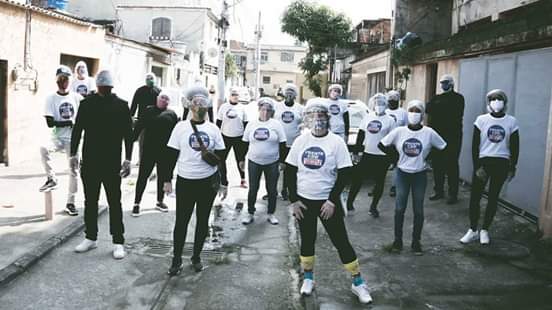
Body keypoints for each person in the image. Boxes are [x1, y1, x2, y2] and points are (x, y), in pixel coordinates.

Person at [286, 102, 372, 304]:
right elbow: (289, 170)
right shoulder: (301, 141)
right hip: (305, 201)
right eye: (314, 116)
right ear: (308, 119)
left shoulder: (336, 142)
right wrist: (294, 200)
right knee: (307, 240)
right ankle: (308, 279)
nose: (318, 120)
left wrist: (332, 201)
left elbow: (344, 174)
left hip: (327, 202)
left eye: (322, 116)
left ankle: (358, 282)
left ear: (328, 118)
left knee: (341, 241)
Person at [71, 70, 133, 260]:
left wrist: (128, 159)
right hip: (90, 161)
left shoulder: (122, 106)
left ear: (111, 87)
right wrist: (73, 154)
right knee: (90, 201)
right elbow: (77, 130)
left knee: (114, 202)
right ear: (97, 86)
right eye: (102, 87)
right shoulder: (86, 104)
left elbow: (128, 135)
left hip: (112, 162)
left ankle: (118, 241)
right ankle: (91, 237)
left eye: (107, 87)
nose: (104, 89)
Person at [164, 92, 228, 276]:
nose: (199, 106)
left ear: (208, 107)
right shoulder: (180, 127)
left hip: (207, 183)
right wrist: (167, 180)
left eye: (203, 103)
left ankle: (196, 257)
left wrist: (224, 182)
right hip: (185, 181)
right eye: (196, 103)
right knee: (181, 222)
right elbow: (170, 155)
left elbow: (221, 157)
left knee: (202, 221)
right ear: (190, 106)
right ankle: (176, 260)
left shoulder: (214, 129)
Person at [378, 100, 446, 255]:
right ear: (407, 112)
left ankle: (416, 242)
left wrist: (429, 159)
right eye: (411, 110)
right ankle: (397, 241)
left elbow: (443, 147)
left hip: (419, 175)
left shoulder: (429, 132)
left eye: (417, 111)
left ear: (422, 114)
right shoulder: (400, 131)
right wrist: (395, 158)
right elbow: (382, 144)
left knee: (418, 210)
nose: (414, 114)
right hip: (402, 173)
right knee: (399, 208)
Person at [460, 89, 519, 245]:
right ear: (488, 102)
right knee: (475, 198)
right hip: (483, 163)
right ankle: (473, 229)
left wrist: (513, 167)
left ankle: (485, 229)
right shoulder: (481, 120)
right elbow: (474, 146)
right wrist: (477, 166)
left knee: (493, 198)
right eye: (493, 99)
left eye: (499, 99)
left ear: (505, 102)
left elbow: (515, 146)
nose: (496, 101)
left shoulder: (511, 121)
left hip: (501, 163)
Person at [39, 65, 82, 216]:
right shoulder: (51, 98)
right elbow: (50, 123)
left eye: (65, 79)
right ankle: (52, 178)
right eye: (60, 79)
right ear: (57, 80)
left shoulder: (77, 98)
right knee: (44, 148)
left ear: (70, 80)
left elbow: (84, 118)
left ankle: (71, 203)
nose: (62, 82)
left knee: (74, 170)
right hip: (57, 137)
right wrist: (69, 123)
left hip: (73, 140)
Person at [347, 93, 395, 217]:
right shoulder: (367, 117)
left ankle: (373, 207)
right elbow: (361, 134)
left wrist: (392, 158)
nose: (379, 106)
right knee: (357, 180)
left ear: (386, 105)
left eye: (382, 104)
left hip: (382, 156)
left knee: (379, 183)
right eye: (377, 104)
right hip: (367, 154)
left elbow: (393, 140)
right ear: (373, 105)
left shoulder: (390, 120)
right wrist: (356, 152)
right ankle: (349, 203)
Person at [131, 91, 178, 217]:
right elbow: (139, 127)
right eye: (162, 97)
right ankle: (136, 203)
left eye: (166, 98)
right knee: (143, 177)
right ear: (157, 99)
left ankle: (160, 201)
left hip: (165, 152)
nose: (164, 100)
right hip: (149, 151)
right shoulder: (148, 111)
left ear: (169, 102)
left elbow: (176, 135)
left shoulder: (172, 115)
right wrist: (131, 140)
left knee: (162, 177)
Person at [241, 97, 287, 225]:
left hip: (272, 162)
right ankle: (250, 212)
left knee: (272, 190)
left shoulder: (276, 125)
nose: (265, 112)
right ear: (258, 110)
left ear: (271, 112)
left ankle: (271, 213)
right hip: (254, 161)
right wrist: (241, 159)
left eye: (268, 110)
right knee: (253, 189)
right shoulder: (251, 124)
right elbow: (244, 143)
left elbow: (283, 143)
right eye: (262, 109)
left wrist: (282, 161)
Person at [426, 75, 465, 204]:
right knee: (437, 165)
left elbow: (453, 112)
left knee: (452, 165)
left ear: (452, 83)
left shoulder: (458, 98)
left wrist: (438, 109)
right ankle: (439, 191)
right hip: (438, 136)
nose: (443, 85)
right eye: (442, 83)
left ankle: (453, 194)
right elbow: (428, 109)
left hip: (453, 137)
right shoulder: (436, 98)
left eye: (446, 83)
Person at [272, 83, 303, 201]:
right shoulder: (277, 106)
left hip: (293, 144)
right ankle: (272, 191)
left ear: (295, 95)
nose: (289, 94)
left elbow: (305, 123)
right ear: (284, 93)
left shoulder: (300, 108)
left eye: (292, 92)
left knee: (289, 170)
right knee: (274, 169)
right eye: (287, 91)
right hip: (278, 143)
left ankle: (286, 190)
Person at [217, 86, 249, 188]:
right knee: (221, 159)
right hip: (225, 136)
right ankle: (223, 181)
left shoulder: (242, 108)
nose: (235, 97)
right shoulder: (223, 107)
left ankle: (243, 179)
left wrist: (246, 139)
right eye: (233, 94)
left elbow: (246, 124)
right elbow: (218, 122)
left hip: (239, 137)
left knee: (240, 160)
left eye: (236, 95)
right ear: (229, 96)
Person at [130, 73, 161, 162]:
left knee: (154, 141)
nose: (150, 80)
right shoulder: (140, 91)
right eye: (148, 78)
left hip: (155, 119)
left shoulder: (158, 91)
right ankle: (141, 159)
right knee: (142, 141)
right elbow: (134, 105)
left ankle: (153, 159)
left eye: (151, 79)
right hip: (142, 120)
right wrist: (131, 116)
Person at [385, 89, 408, 198]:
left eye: (395, 100)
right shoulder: (384, 111)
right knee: (382, 165)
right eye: (390, 100)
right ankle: (377, 187)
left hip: (398, 143)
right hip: (385, 143)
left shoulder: (403, 112)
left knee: (397, 166)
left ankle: (394, 186)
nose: (392, 102)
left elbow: (407, 127)